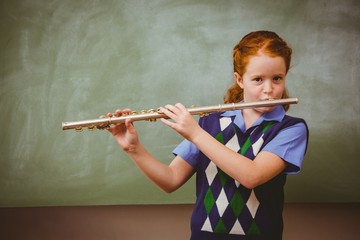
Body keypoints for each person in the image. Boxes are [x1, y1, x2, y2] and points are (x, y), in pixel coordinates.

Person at [106, 30, 309, 240]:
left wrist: (196, 134)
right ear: (240, 80)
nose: (269, 89)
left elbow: (252, 176)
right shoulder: (210, 123)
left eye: (277, 78)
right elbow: (171, 180)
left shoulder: (290, 129)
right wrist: (133, 148)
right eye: (258, 79)